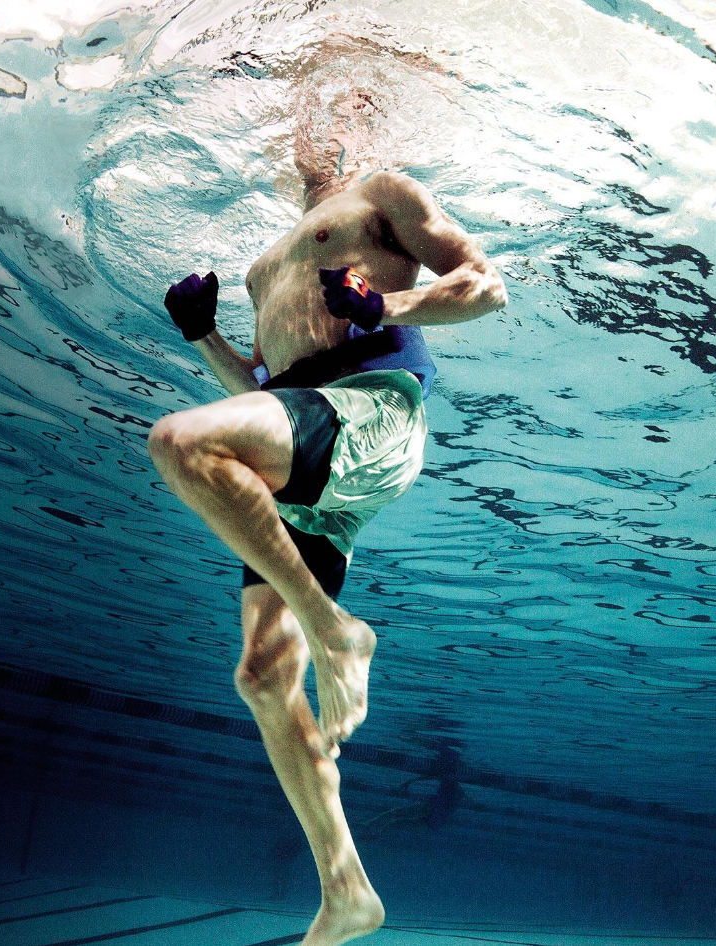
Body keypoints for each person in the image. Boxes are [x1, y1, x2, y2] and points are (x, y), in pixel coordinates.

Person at [146, 148, 506, 943]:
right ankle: (346, 892)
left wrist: (390, 305)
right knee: (264, 678)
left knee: (182, 444)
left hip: (373, 412)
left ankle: (335, 629)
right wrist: (205, 338)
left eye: (331, 126)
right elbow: (268, 396)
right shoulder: (263, 266)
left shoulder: (382, 196)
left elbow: (485, 286)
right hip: (314, 444)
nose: (312, 145)